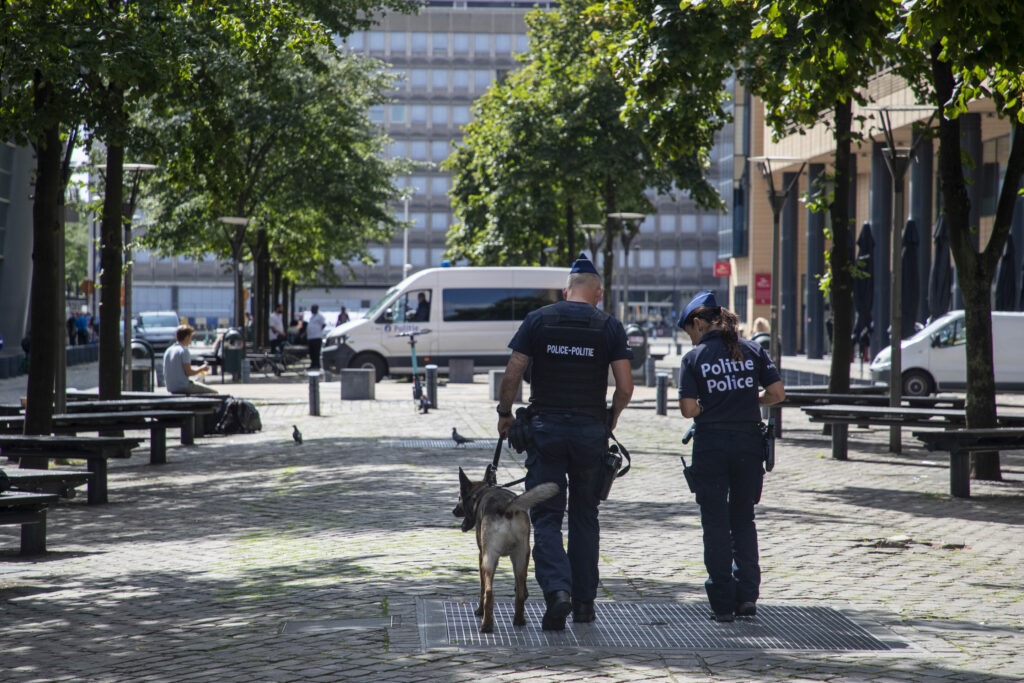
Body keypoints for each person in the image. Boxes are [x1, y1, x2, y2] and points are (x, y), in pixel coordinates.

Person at [495, 252, 633, 631]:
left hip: (546, 434)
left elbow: (512, 373)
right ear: (599, 294)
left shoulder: (538, 320)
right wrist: (610, 420)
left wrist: (505, 413)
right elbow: (625, 387)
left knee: (547, 516)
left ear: (565, 289)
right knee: (586, 516)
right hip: (590, 434)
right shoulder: (609, 326)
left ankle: (558, 592)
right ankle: (586, 604)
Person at [676, 290, 785, 623]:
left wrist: (711, 405)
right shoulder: (752, 350)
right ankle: (747, 596)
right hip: (748, 444)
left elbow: (688, 409)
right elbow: (778, 394)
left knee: (714, 523)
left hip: (710, 445)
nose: (691, 339)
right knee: (743, 519)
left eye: (690, 332)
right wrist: (754, 403)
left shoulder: (694, 359)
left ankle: (722, 603)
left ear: (698, 323)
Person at [163, 324, 217, 395]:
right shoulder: (184, 351)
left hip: (170, 387)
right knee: (214, 392)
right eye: (191, 337)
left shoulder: (168, 350)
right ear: (187, 337)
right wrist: (201, 369)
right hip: (183, 386)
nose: (190, 340)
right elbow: (189, 373)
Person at [305, 304, 326, 369]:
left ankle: (317, 365)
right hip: (310, 337)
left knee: (316, 352)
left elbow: (323, 324)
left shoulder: (320, 317)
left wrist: (318, 330)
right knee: (311, 352)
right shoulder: (311, 317)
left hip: (317, 337)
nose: (311, 310)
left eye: (312, 309)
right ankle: (313, 364)